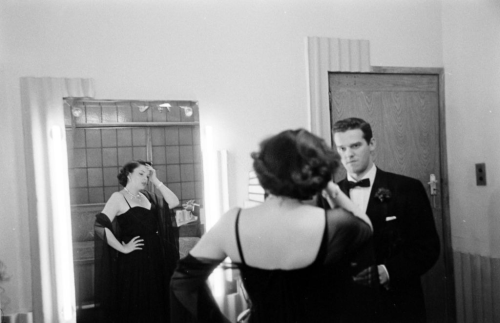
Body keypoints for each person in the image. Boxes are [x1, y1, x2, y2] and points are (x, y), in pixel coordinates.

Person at [170, 129, 373, 323]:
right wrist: (331, 189)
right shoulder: (333, 222)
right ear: (317, 175)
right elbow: (365, 226)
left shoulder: (233, 222)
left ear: (263, 171)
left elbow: (182, 282)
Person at [330, 117, 440, 323]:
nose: (348, 155)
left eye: (355, 146)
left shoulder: (407, 188)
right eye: (342, 148)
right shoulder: (330, 195)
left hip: (398, 304)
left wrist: (388, 271)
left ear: (371, 144)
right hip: (348, 308)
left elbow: (428, 247)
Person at [94, 160, 180, 323]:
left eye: (147, 176)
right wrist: (122, 248)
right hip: (135, 258)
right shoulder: (118, 197)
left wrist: (156, 180)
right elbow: (100, 226)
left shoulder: (148, 196)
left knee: (156, 301)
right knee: (138, 302)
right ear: (128, 175)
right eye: (141, 174)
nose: (145, 179)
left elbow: (174, 202)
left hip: (155, 255)